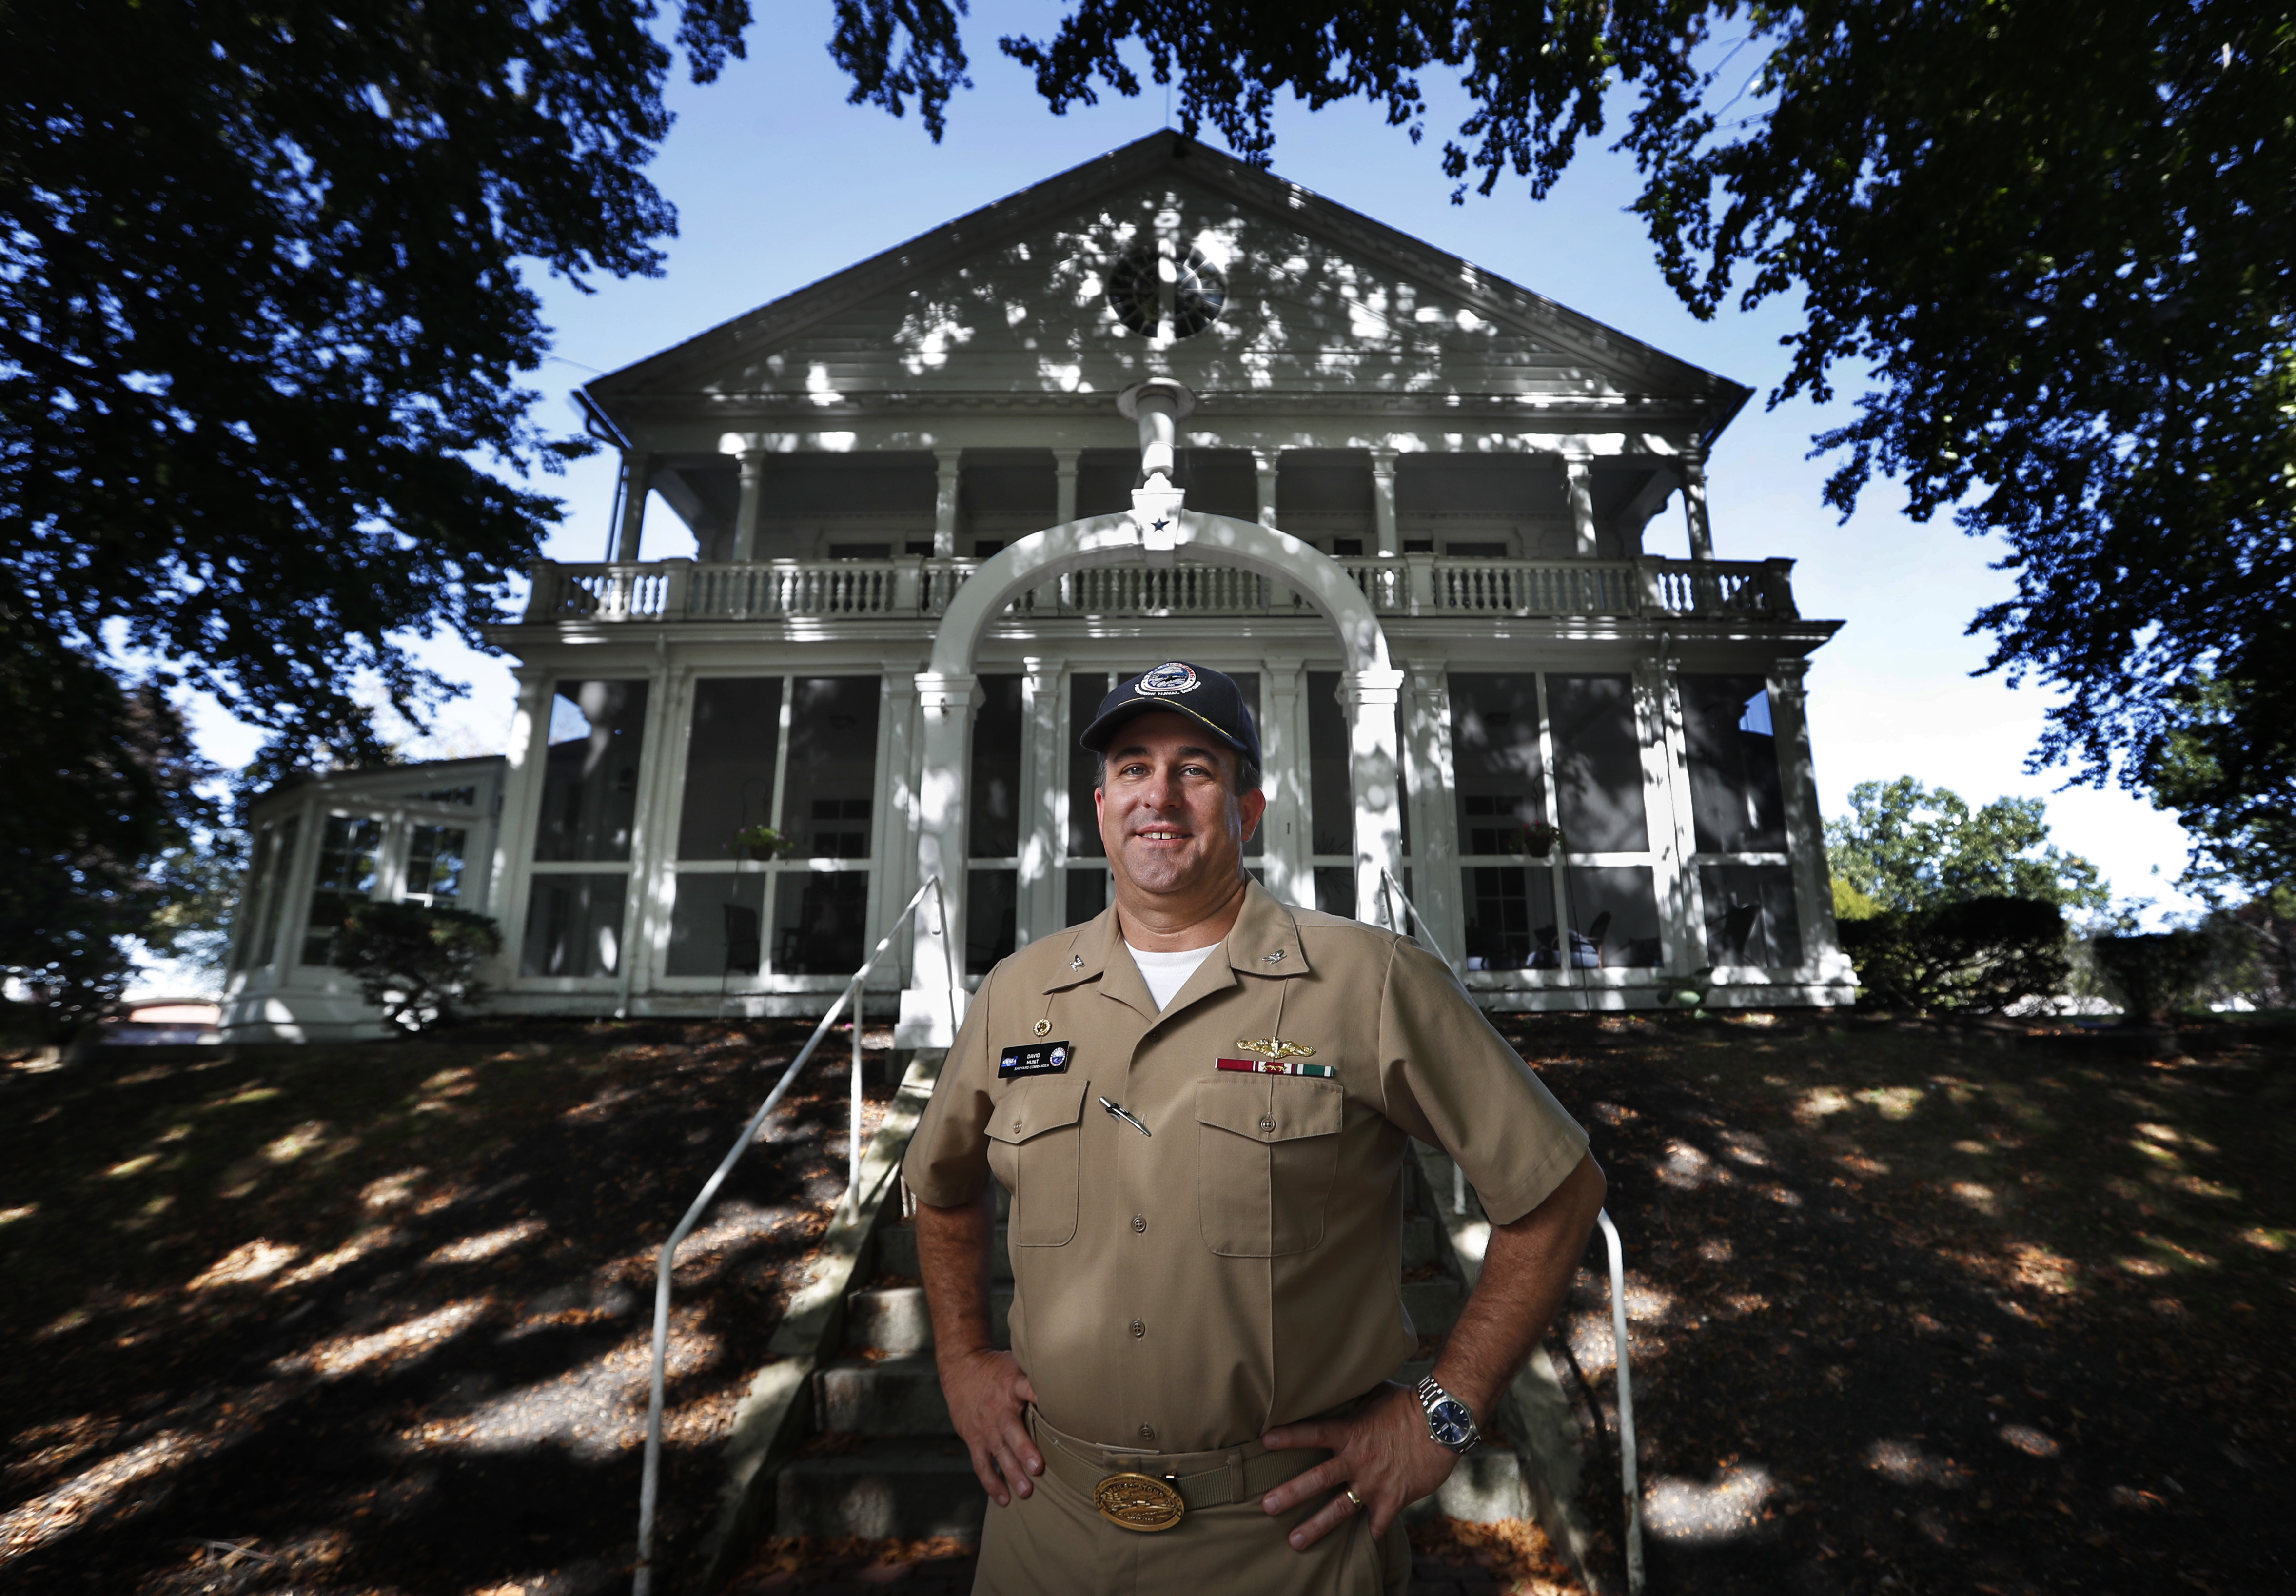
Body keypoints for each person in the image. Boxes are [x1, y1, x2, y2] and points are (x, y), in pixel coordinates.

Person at [903, 660, 1605, 1595]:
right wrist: (960, 1359)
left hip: (1288, 1544)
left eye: (1194, 768)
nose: (1159, 794)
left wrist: (1443, 1412)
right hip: (1045, 1529)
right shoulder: (1014, 994)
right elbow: (940, 1185)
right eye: (1132, 766)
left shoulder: (1369, 981)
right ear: (1100, 805)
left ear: (1248, 808)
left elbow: (1557, 1191)